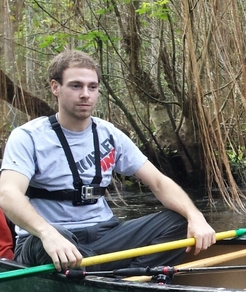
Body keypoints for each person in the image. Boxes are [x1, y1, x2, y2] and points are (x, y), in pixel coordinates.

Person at [0, 49, 216, 272]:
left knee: (178, 222)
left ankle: (123, 278)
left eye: (92, 87)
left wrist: (195, 216)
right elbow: (8, 195)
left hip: (105, 235)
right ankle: (102, 271)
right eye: (76, 86)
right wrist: (47, 233)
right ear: (56, 87)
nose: (86, 94)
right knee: (57, 239)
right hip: (48, 240)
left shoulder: (109, 134)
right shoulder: (28, 137)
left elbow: (159, 182)